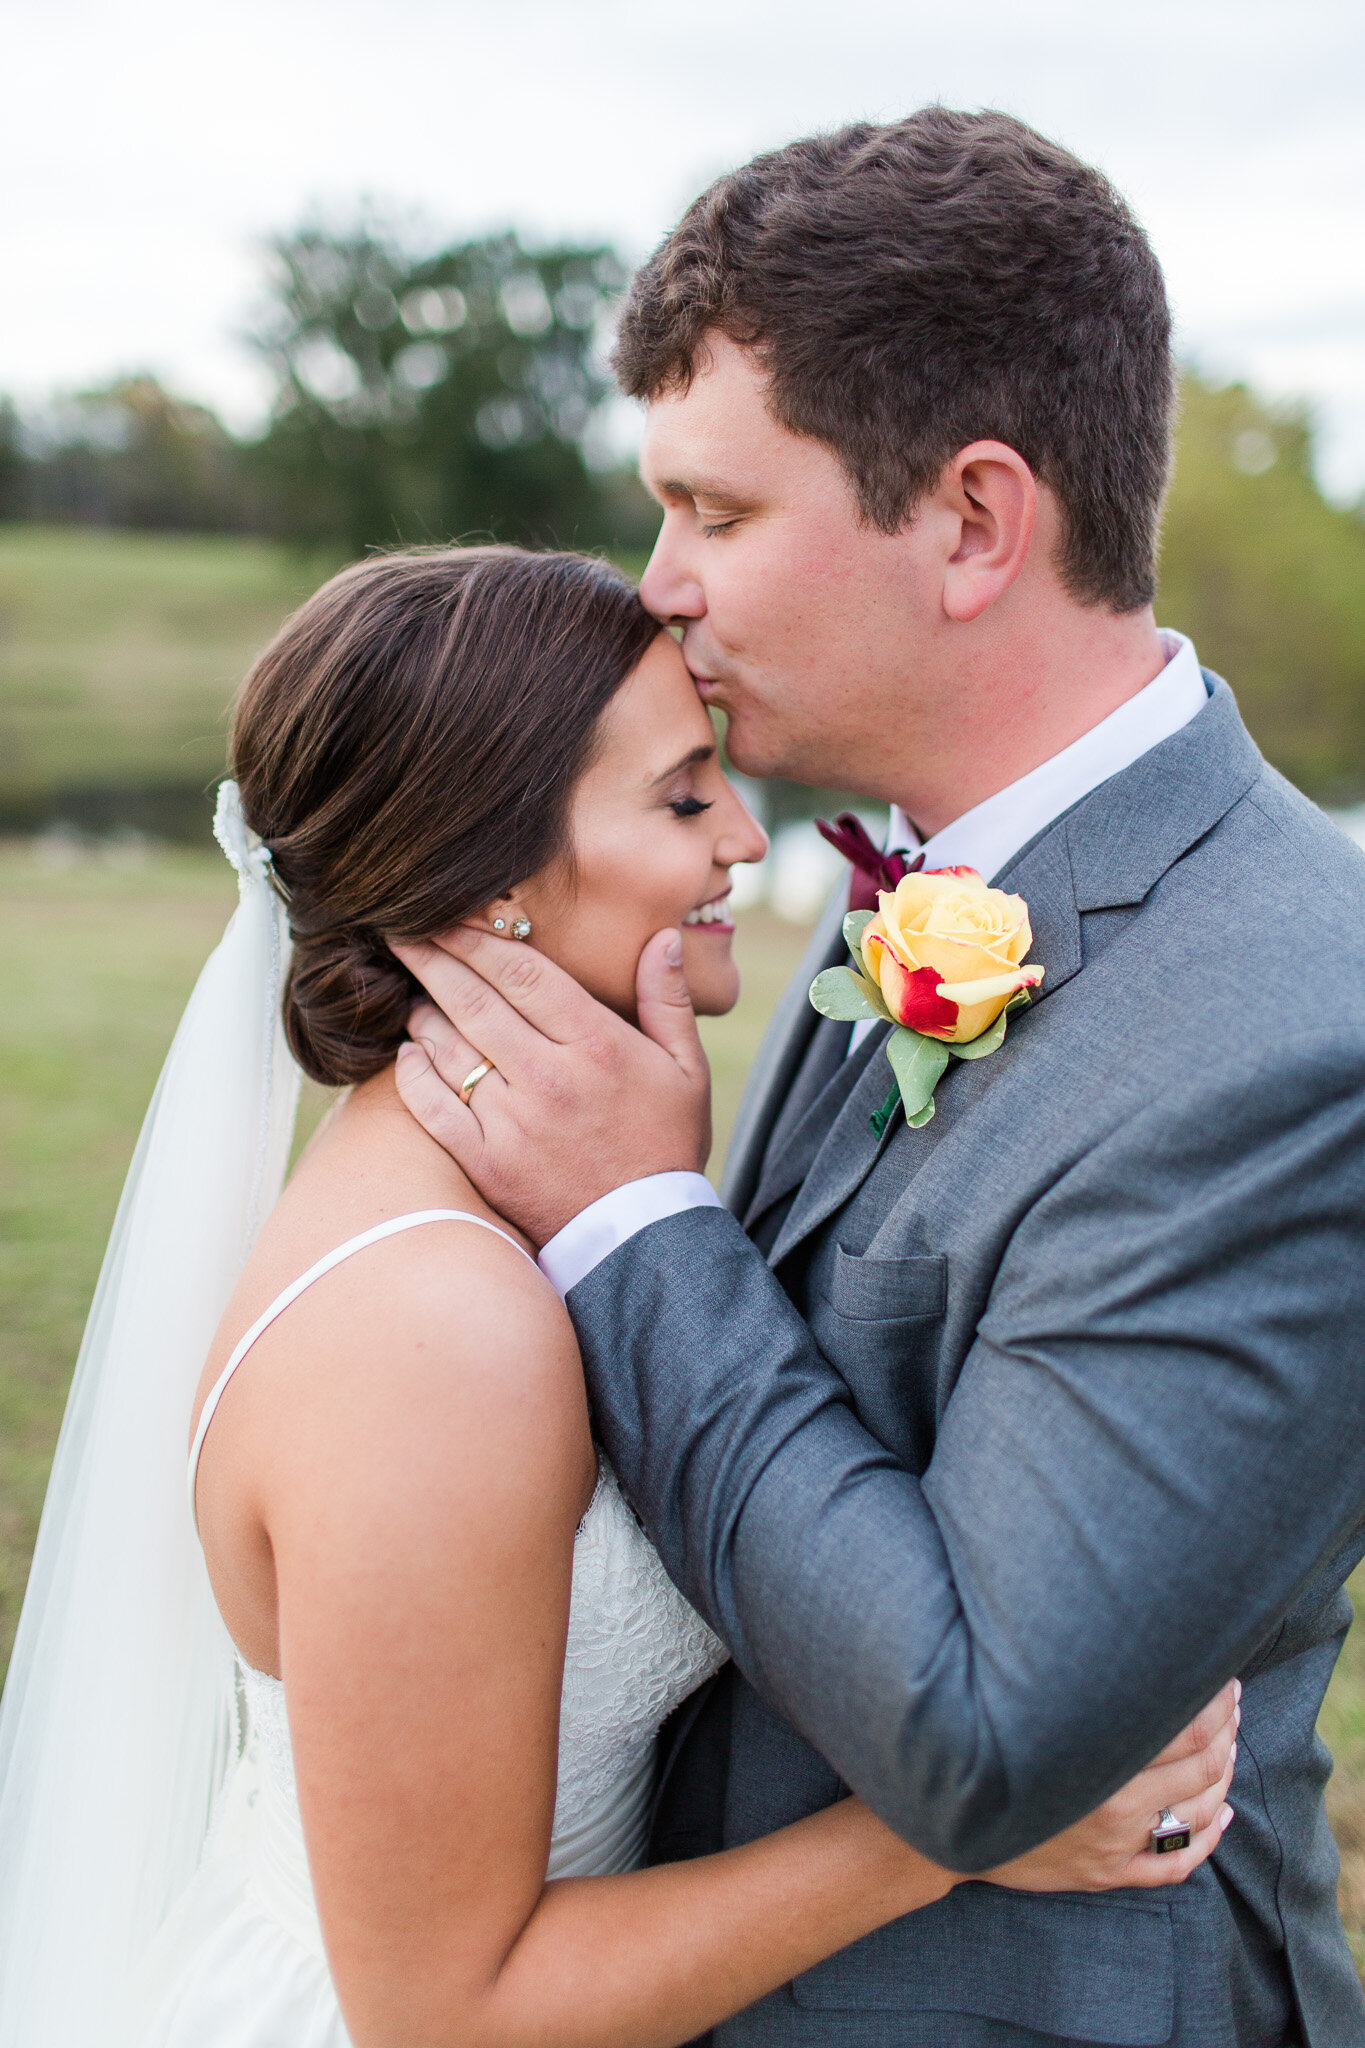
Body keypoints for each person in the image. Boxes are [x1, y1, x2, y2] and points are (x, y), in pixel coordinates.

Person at [393, 114, 1365, 2045]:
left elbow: (989, 1734)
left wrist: (629, 1220)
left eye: (720, 515)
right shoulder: (911, 880)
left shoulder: (1292, 1031)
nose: (656, 584)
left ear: (973, 523)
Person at [0, 544, 1234, 2048]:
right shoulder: (436, 1334)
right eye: (678, 796)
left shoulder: (513, 1208)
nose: (740, 837)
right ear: (490, 882)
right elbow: (450, 2010)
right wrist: (952, 1831)